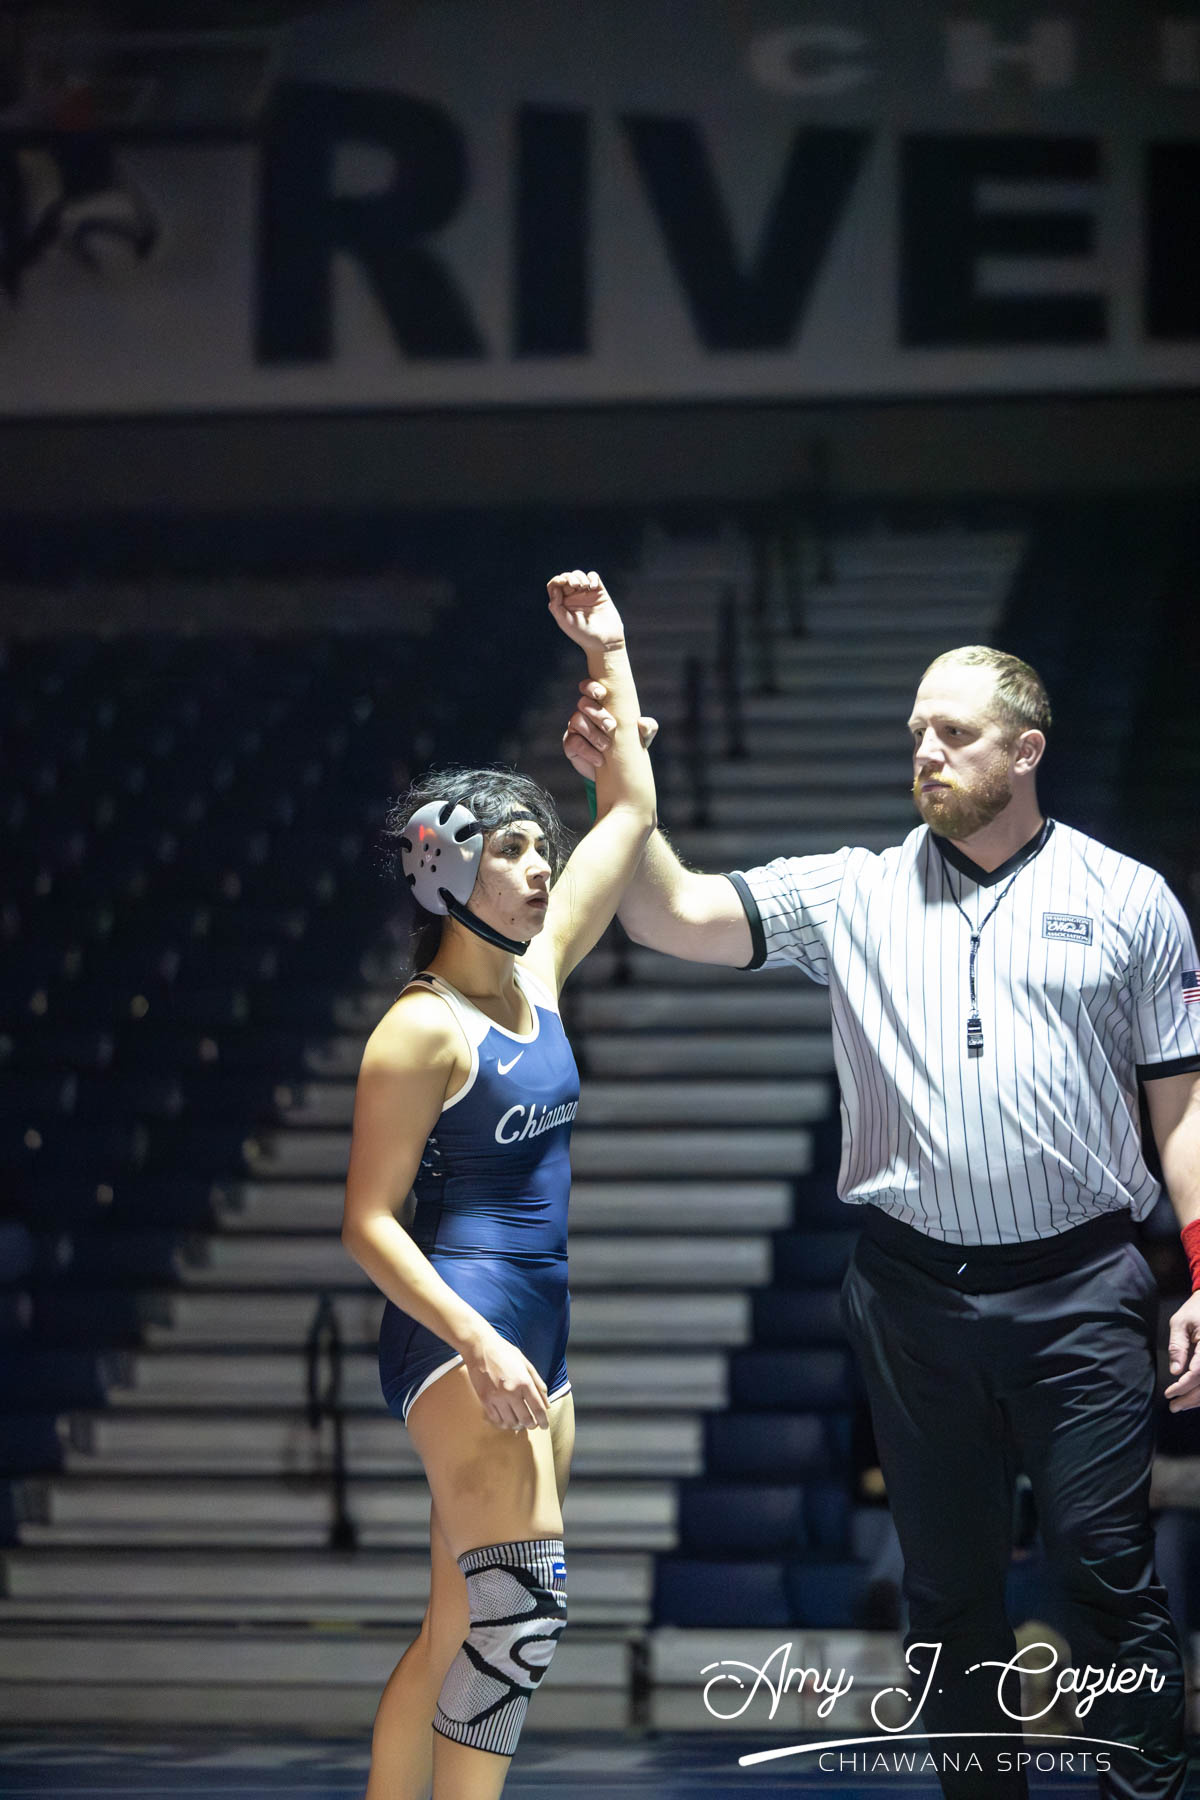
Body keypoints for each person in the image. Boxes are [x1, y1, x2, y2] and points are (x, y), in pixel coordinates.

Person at [564, 644, 1200, 1800]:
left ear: (1027, 750)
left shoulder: (1130, 899)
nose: (926, 751)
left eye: (955, 732)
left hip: (1082, 1288)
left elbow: (1184, 1109)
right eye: (917, 731)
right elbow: (667, 912)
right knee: (948, 1597)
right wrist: (625, 789)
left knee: (1106, 1573)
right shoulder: (851, 892)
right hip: (912, 1297)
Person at [342, 570, 654, 1800]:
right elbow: (367, 1223)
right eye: (512, 848)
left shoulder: (540, 976)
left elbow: (630, 811)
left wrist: (607, 655)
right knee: (520, 1614)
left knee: (455, 1620)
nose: (540, 867)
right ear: (445, 874)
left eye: (541, 847)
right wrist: (476, 1342)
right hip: (461, 1324)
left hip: (537, 1327)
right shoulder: (418, 1030)